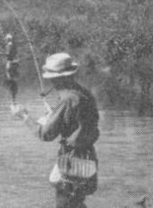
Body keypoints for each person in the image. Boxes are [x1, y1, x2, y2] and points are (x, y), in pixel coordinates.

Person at [11, 53, 100, 208]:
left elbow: (45, 134)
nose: (51, 82)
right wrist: (54, 115)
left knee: (66, 202)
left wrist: (23, 116)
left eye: (52, 78)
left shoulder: (67, 99)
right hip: (88, 157)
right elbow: (80, 122)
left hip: (72, 162)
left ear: (59, 78)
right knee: (77, 202)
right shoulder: (84, 93)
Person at [0, 33, 20, 104]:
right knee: (12, 80)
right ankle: (13, 99)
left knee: (10, 79)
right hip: (14, 63)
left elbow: (9, 54)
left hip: (11, 63)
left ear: (7, 39)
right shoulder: (12, 45)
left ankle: (13, 100)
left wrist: (0, 53)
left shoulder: (9, 45)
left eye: (6, 39)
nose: (5, 40)